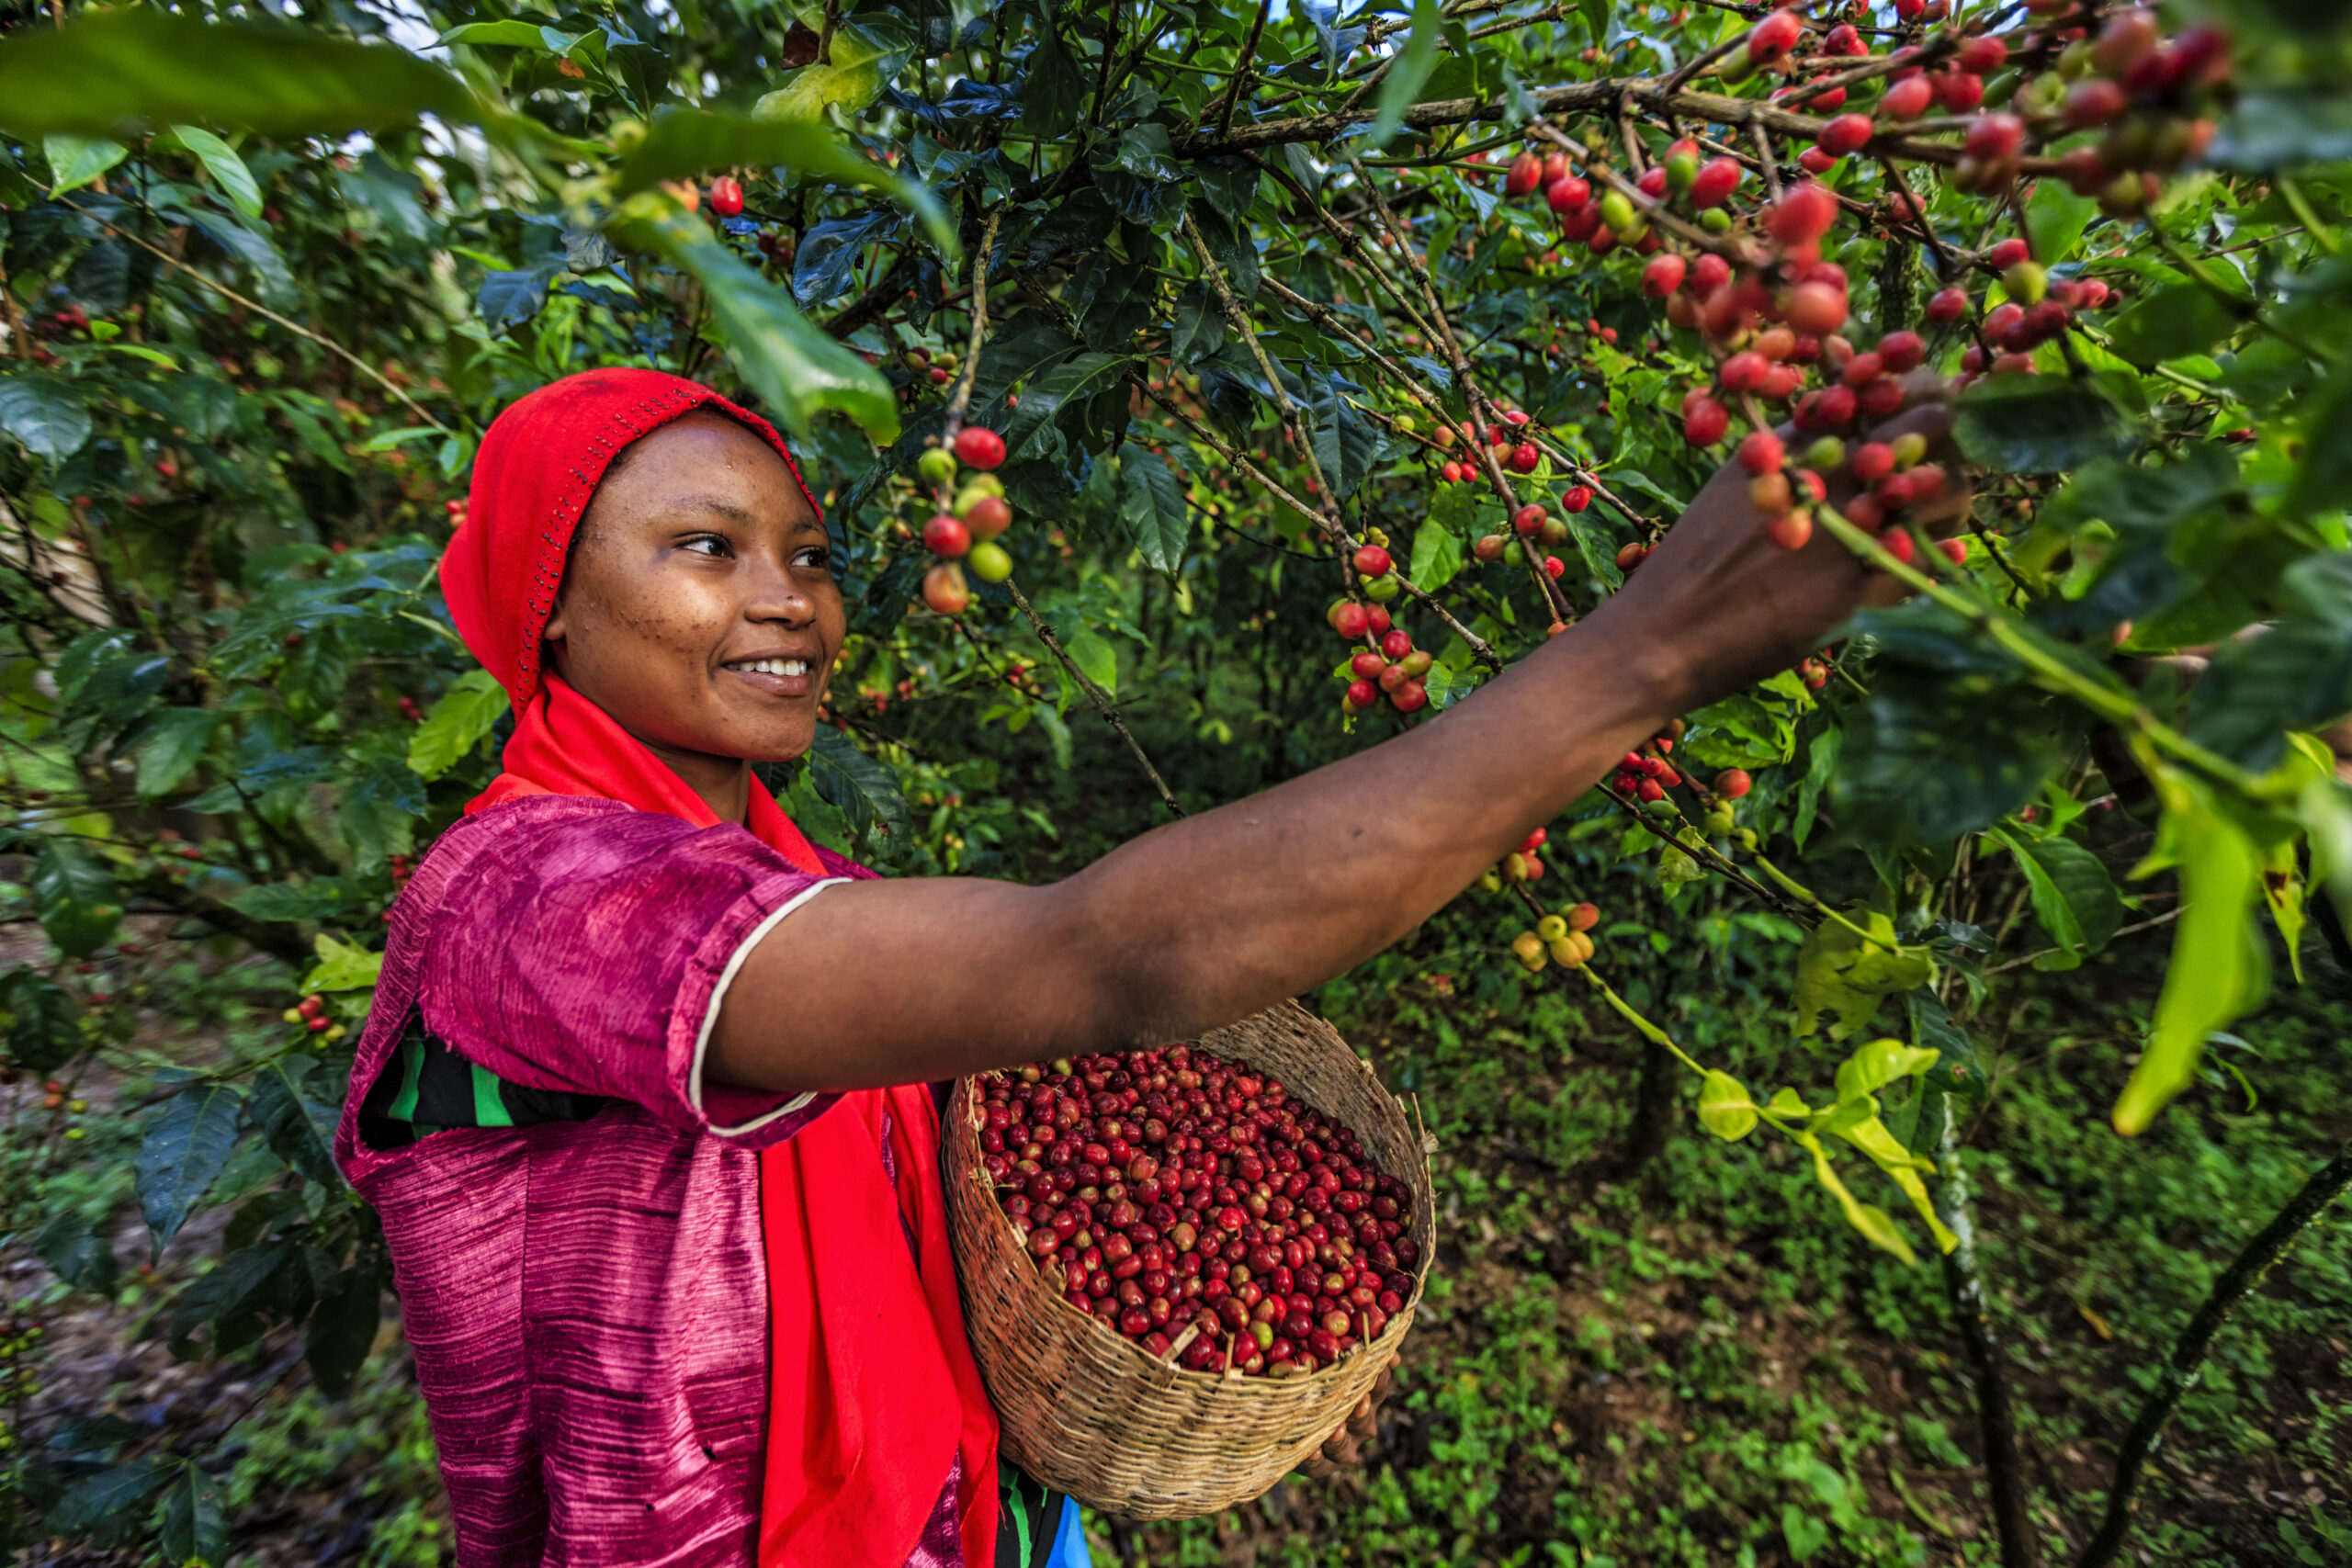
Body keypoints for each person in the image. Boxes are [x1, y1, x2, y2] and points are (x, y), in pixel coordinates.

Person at [333, 366, 1963, 1568]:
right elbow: (1110, 953)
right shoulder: (523, 894)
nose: (791, 602)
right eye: (705, 547)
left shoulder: (785, 874)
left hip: (956, 1508)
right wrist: (1647, 652)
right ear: (550, 602)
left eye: (813, 554)